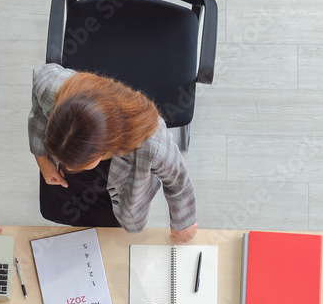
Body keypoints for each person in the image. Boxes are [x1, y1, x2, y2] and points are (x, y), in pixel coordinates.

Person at [28, 63, 197, 239]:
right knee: (66, 217)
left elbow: (177, 178)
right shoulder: (51, 88)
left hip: (119, 187)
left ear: (105, 145)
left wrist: (182, 223)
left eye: (77, 164)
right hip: (66, 180)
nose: (68, 167)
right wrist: (42, 158)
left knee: (106, 233)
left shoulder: (150, 143)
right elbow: (41, 81)